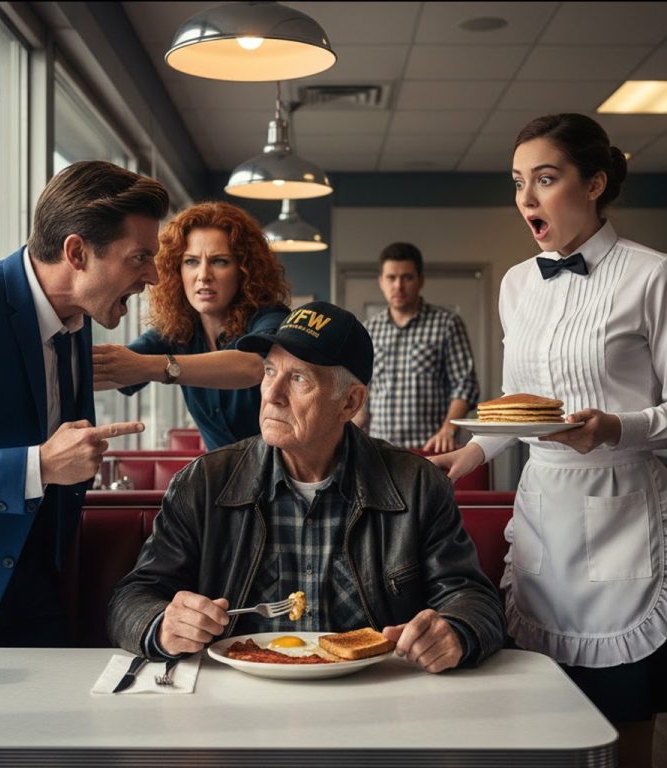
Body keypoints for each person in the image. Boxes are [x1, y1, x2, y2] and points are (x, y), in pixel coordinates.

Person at [430, 113, 667, 766]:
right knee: (538, 710)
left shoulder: (653, 277)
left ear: (593, 184)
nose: (526, 199)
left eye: (545, 178)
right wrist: (470, 454)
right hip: (542, 514)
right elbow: (519, 410)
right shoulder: (515, 285)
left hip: (625, 511)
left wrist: (618, 426)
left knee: (623, 719)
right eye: (517, 182)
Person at [108, 301, 505, 672]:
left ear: (349, 403)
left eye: (298, 378)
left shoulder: (417, 485)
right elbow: (132, 598)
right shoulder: (204, 483)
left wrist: (454, 630)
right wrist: (163, 624)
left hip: (374, 695)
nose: (272, 395)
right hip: (237, 697)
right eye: (269, 372)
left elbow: (474, 600)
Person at [0, 160, 170, 647]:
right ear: (77, 252)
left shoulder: (78, 318)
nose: (153, 275)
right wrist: (38, 465)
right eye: (139, 257)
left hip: (40, 585)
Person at [93, 201, 290, 450]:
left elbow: (253, 366)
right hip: (222, 483)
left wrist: (153, 366)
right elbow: (117, 370)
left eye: (219, 261)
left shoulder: (271, 318)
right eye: (191, 261)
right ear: (176, 269)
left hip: (286, 480)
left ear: (244, 270)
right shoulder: (177, 331)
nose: (203, 274)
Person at [355, 242, 479, 453]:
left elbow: (465, 385)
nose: (398, 286)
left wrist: (448, 430)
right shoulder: (369, 330)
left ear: (421, 280)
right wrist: (348, 435)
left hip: (430, 449)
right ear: (381, 281)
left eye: (407, 277)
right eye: (391, 278)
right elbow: (362, 392)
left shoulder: (446, 323)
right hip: (380, 452)